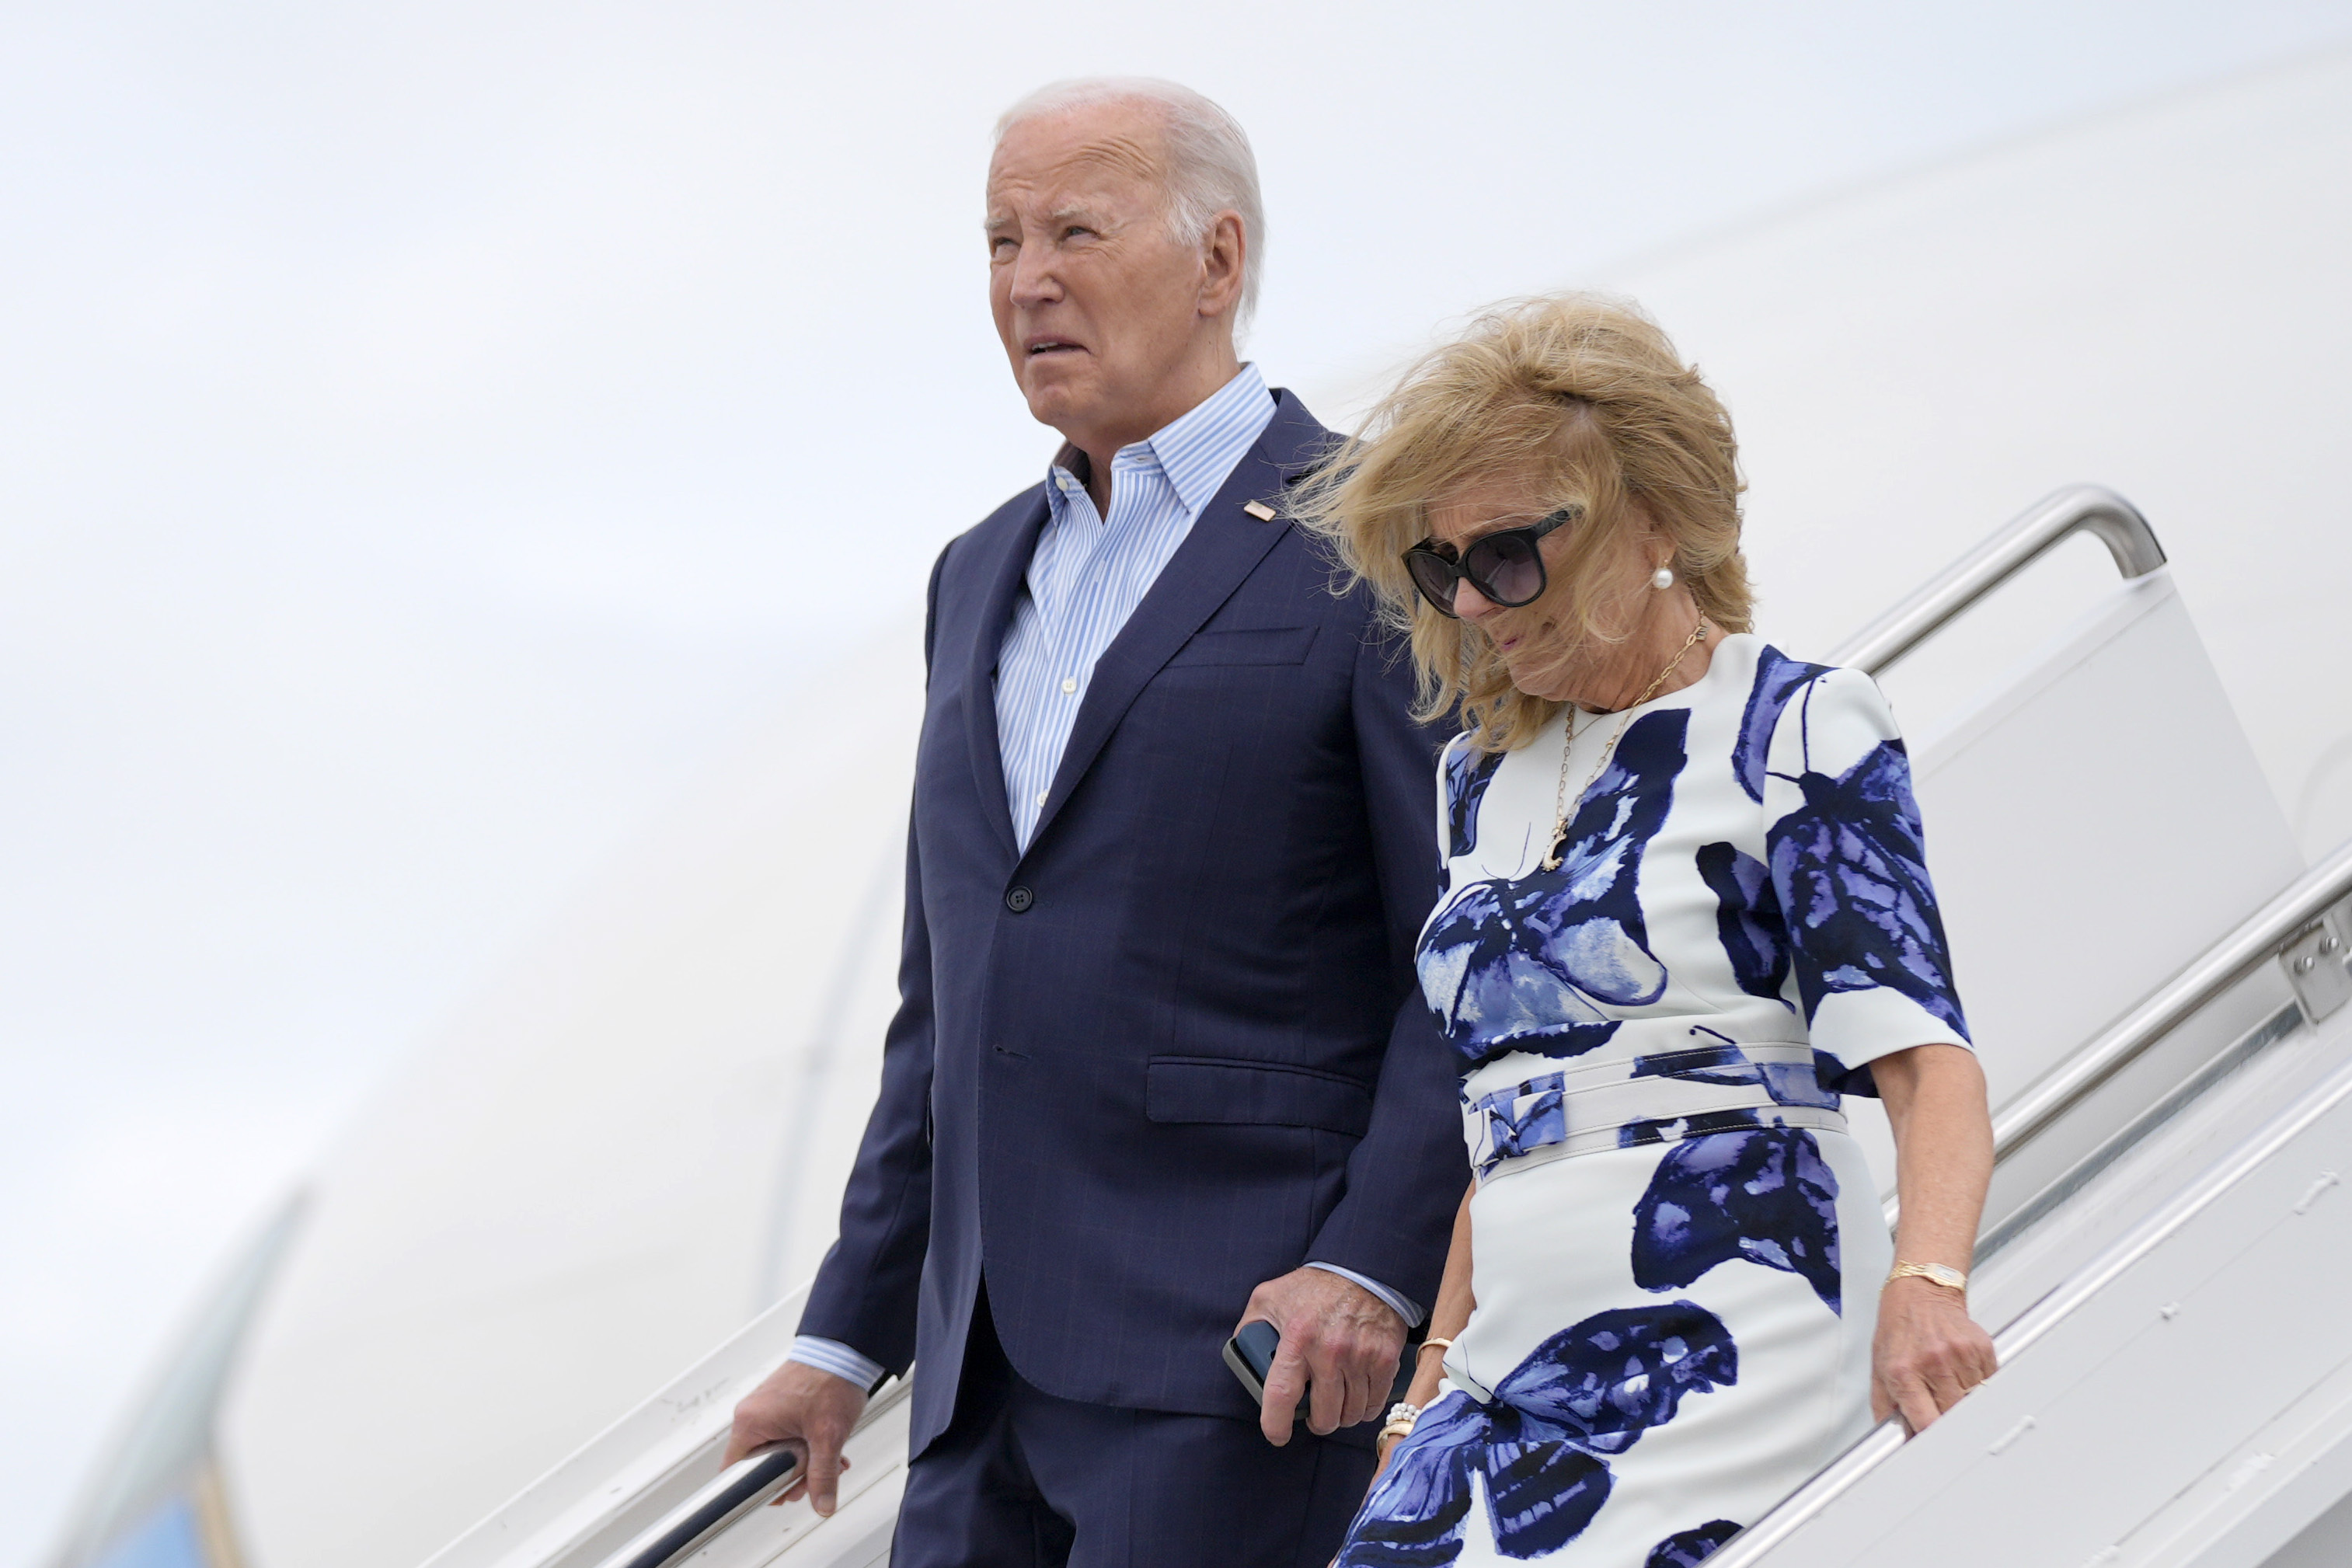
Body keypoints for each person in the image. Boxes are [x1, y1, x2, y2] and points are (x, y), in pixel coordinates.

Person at [722, 78, 1465, 1567]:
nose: (1026, 280)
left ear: (1218, 261)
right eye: (999, 241)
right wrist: (845, 1337)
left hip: (1243, 1365)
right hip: (976, 1391)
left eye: (1074, 229)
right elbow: (954, 999)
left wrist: (1371, 1268)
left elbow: (1463, 946)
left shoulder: (1376, 530)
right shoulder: (976, 570)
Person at [1291, 293, 1999, 1567]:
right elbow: (1503, 1108)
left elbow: (1923, 1061)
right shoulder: (1474, 778)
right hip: (1505, 1350)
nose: (1475, 602)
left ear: (1656, 517)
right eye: (1441, 566)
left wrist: (1928, 1284)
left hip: (1733, 1321)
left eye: (1508, 552)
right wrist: (1427, 1380)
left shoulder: (1794, 722)